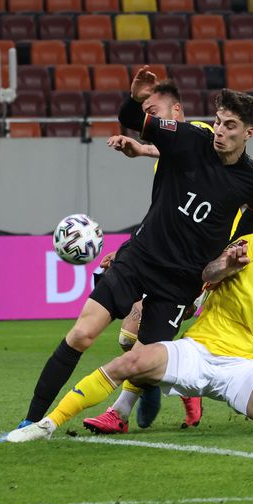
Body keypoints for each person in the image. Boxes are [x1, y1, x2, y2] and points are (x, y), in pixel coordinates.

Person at [4, 68, 253, 439]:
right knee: (82, 334)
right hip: (141, 258)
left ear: (249, 133)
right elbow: (132, 120)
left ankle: (145, 400)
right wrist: (134, 98)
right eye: (218, 122)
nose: (221, 131)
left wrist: (229, 247)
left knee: (138, 362)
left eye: (229, 125)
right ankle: (31, 419)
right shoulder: (191, 138)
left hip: (181, 283)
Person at [5, 226, 253, 442]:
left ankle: (208, 397)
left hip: (243, 368)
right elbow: (208, 271)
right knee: (131, 358)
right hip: (198, 349)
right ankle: (48, 424)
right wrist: (227, 266)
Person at [86, 79, 218, 432]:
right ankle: (176, 386)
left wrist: (142, 148)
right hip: (159, 251)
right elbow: (164, 208)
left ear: (176, 112)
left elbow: (187, 144)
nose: (148, 122)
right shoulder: (169, 154)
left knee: (144, 340)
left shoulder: (200, 132)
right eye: (144, 115)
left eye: (152, 113)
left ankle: (122, 410)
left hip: (196, 262)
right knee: (130, 337)